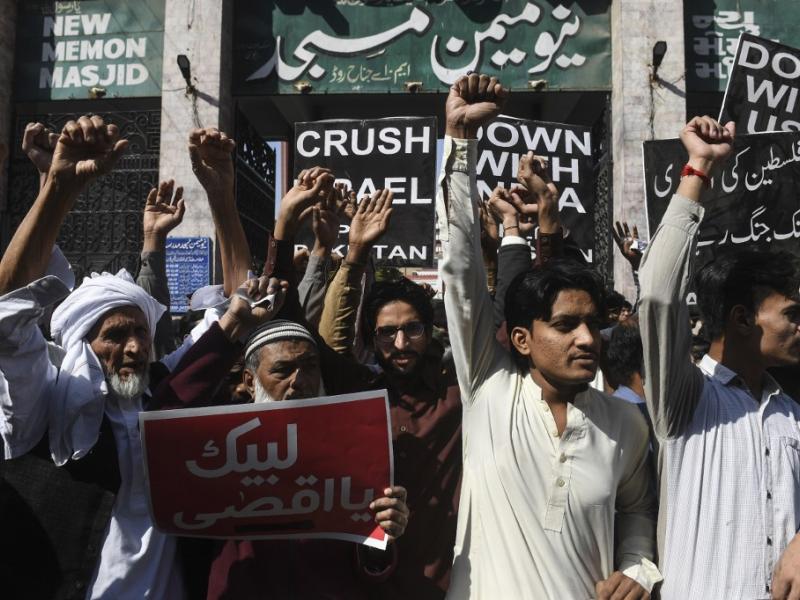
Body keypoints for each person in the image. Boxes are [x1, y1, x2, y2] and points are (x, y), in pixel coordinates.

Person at [0, 116, 250, 599]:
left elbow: (242, 307)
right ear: (82, 341)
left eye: (141, 331)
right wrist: (57, 189)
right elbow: (7, 314)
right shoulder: (43, 406)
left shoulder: (166, 389)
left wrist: (222, 194)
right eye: (115, 335)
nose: (135, 346)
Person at [437, 73, 660, 599]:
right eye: (565, 326)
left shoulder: (626, 425)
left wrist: (638, 567)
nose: (587, 339)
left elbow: (636, 511)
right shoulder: (489, 389)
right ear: (521, 340)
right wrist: (460, 142)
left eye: (593, 324)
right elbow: (460, 270)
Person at [149, 279, 409, 599]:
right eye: (283, 370)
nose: (299, 381)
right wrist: (231, 327)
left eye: (309, 367)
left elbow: (370, 565)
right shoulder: (223, 444)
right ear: (250, 381)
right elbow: (162, 422)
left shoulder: (354, 446)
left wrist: (382, 534)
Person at [638, 115, 800, 600]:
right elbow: (658, 294)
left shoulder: (791, 415)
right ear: (742, 319)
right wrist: (699, 168)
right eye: (791, 315)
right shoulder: (686, 398)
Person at [317, 190, 462, 600]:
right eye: (386, 333)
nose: (400, 344)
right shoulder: (361, 395)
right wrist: (355, 253)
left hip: (446, 583)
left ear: (429, 332)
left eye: (412, 329)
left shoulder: (455, 392)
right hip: (367, 581)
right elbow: (329, 347)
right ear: (372, 339)